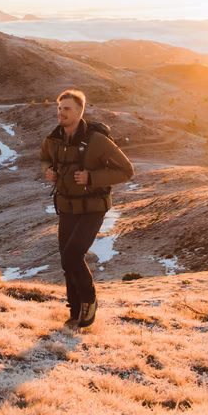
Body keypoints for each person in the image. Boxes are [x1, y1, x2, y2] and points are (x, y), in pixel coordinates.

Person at [40, 89, 134, 329]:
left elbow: (126, 170)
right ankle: (74, 313)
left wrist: (91, 177)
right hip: (66, 206)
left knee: (72, 255)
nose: (61, 113)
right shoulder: (53, 138)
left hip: (93, 208)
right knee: (66, 260)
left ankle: (89, 300)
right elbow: (44, 158)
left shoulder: (97, 141)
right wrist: (47, 170)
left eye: (67, 109)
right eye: (59, 108)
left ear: (80, 111)